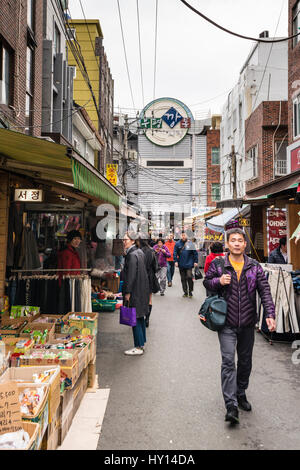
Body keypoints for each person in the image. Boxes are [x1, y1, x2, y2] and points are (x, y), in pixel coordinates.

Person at [203, 228, 276, 425]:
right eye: (233, 240)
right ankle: (231, 405)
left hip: (247, 323)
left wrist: (269, 314)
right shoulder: (219, 264)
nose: (236, 243)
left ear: (245, 244)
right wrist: (219, 281)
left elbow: (265, 291)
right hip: (226, 322)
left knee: (245, 362)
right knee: (228, 362)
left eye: (240, 240)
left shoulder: (254, 267)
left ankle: (241, 392)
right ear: (227, 244)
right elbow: (206, 283)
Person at [122, 232, 150, 356]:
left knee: (135, 318)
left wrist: (127, 292)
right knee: (139, 317)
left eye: (126, 240)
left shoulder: (132, 255)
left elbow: (131, 275)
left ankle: (138, 346)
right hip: (141, 289)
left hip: (135, 291)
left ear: (133, 241)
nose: (124, 242)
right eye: (123, 240)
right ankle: (141, 342)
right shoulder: (139, 252)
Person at [137, 235, 159, 328]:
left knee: (140, 297)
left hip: (140, 276)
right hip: (149, 277)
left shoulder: (138, 251)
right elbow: (156, 267)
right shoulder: (151, 251)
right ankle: (147, 319)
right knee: (149, 299)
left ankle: (140, 317)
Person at [173, 231, 198, 298]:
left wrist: (196, 261)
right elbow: (175, 252)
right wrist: (175, 261)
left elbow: (195, 253)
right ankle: (185, 292)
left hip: (189, 263)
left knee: (189, 277)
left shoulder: (190, 244)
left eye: (184, 235)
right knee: (183, 279)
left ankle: (190, 291)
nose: (183, 236)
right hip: (181, 264)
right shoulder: (177, 244)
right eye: (182, 235)